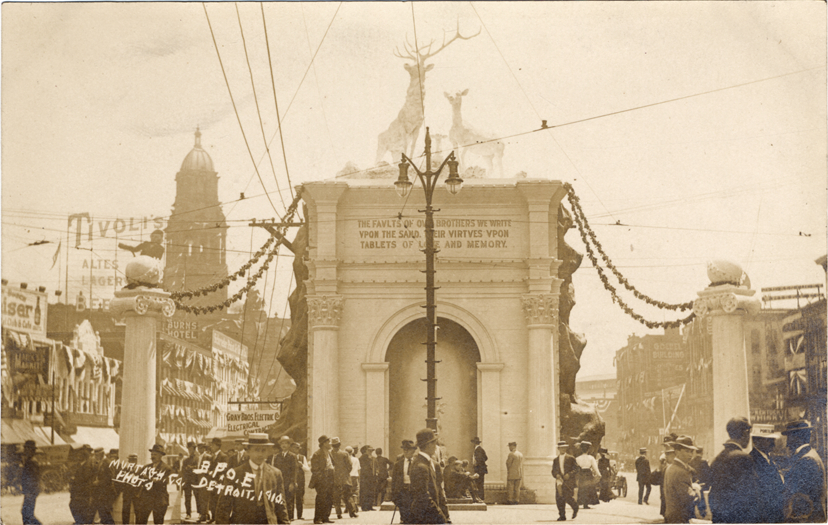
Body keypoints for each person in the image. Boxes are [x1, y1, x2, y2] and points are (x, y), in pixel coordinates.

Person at [214, 433, 289, 524]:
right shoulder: (235, 474)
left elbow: (281, 505)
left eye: (263, 450)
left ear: (268, 452)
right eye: (256, 450)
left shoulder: (275, 473)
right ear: (248, 451)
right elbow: (223, 507)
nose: (260, 454)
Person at [708, 416, 760, 524]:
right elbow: (751, 496)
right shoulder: (744, 458)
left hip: (720, 518)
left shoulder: (717, 459)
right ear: (746, 433)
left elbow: (712, 494)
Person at [780, 419, 826, 523]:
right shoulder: (809, 455)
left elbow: (800, 495)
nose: (787, 441)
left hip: (807, 518)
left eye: (789, 436)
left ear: (797, 436)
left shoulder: (807, 459)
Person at [409, 429, 449, 524]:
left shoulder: (431, 463)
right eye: (435, 443)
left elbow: (438, 491)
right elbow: (423, 496)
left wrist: (445, 514)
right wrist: (440, 517)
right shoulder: (420, 466)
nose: (436, 447)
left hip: (431, 515)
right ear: (429, 444)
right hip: (424, 517)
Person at [749, 425, 785, 523]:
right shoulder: (752, 460)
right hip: (765, 517)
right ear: (756, 441)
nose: (772, 443)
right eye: (768, 439)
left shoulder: (769, 459)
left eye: (773, 439)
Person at [664, 436, 701, 524]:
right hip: (681, 517)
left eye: (691, 451)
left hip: (672, 515)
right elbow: (688, 499)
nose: (690, 454)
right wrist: (697, 491)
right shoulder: (681, 472)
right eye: (686, 451)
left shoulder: (670, 468)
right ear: (677, 451)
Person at [134, 444, 172, 524]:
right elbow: (138, 479)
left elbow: (162, 482)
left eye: (155, 454)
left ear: (161, 455)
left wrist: (148, 478)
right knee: (141, 521)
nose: (153, 456)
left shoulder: (166, 468)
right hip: (146, 500)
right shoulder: (146, 467)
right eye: (152, 454)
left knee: (158, 522)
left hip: (159, 500)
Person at [269, 436, 298, 520]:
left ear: (289, 445)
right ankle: (282, 516)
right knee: (280, 498)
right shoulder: (277, 456)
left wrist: (293, 482)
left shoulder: (292, 456)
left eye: (286, 443)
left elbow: (295, 470)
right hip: (280, 481)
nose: (284, 445)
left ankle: (290, 516)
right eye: (282, 443)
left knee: (289, 499)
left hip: (289, 481)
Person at [391, 439, 418, 524]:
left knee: (414, 512)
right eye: (404, 449)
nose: (406, 451)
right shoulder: (398, 464)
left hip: (414, 490)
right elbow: (394, 480)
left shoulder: (418, 463)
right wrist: (394, 492)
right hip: (403, 490)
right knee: (404, 512)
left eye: (408, 449)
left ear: (413, 451)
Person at [310, 435, 335, 524]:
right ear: (323, 443)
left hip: (330, 478)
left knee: (329, 498)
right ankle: (317, 518)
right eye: (328, 442)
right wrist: (321, 478)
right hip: (322, 479)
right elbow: (314, 469)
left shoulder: (329, 453)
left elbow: (332, 465)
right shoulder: (317, 454)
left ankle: (325, 517)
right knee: (321, 498)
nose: (330, 444)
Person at [551, 440, 579, 521]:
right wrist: (556, 475)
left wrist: (569, 474)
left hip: (568, 481)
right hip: (560, 481)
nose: (563, 449)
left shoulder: (571, 458)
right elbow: (553, 470)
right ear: (558, 449)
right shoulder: (555, 460)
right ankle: (562, 515)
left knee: (568, 497)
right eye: (561, 448)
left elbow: (577, 469)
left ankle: (575, 507)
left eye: (564, 448)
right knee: (559, 498)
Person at [331, 437, 357, 519]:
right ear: (339, 445)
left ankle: (339, 513)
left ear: (332, 445)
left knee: (336, 497)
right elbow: (349, 466)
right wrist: (345, 473)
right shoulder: (345, 454)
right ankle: (352, 513)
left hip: (334, 479)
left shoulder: (329, 454)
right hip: (345, 479)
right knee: (348, 496)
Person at [69, 444, 96, 525]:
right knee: (75, 506)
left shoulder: (88, 464)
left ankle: (80, 522)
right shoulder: (80, 464)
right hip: (78, 491)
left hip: (83, 491)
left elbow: (84, 478)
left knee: (78, 507)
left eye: (81, 455)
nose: (78, 456)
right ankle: (80, 522)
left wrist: (74, 479)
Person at [91, 448, 119, 524]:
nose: (96, 457)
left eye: (97, 455)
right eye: (95, 455)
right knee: (103, 513)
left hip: (108, 492)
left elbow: (111, 477)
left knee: (105, 513)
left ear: (102, 454)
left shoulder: (107, 462)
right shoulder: (100, 463)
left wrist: (99, 482)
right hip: (102, 492)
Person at [207, 437, 228, 523]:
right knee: (212, 500)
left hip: (219, 482)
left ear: (217, 446)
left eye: (212, 445)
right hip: (212, 482)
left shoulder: (223, 456)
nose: (211, 447)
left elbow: (224, 469)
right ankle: (213, 517)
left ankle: (217, 518)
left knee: (218, 500)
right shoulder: (212, 457)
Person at [21, 440, 42, 525]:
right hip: (30, 491)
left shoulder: (32, 462)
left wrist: (29, 492)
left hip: (30, 491)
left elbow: (34, 479)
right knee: (26, 513)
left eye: (27, 449)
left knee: (27, 514)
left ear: (31, 450)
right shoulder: (30, 460)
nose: (25, 451)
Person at [575, 441, 600, 509]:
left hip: (581, 473)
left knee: (582, 488)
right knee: (588, 488)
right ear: (588, 449)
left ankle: (581, 502)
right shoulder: (591, 458)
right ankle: (586, 504)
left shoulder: (577, 458)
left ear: (581, 449)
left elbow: (576, 468)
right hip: (588, 473)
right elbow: (595, 467)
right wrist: (599, 474)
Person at [289, 442, 308, 521]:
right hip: (291, 480)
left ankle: (299, 515)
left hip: (300, 480)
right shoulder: (288, 457)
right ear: (291, 448)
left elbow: (307, 469)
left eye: (298, 448)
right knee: (290, 497)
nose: (296, 449)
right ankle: (291, 516)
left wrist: (302, 465)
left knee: (300, 498)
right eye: (295, 447)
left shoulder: (302, 457)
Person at [182, 441, 199, 520]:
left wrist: (191, 468)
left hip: (196, 481)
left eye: (191, 449)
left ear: (194, 449)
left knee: (197, 497)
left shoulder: (198, 458)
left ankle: (200, 512)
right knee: (187, 498)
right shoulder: (185, 460)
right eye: (189, 449)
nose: (190, 451)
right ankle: (188, 513)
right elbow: (183, 471)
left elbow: (199, 468)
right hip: (187, 482)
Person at [122, 454, 140, 524]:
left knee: (138, 511)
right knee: (125, 511)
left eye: (133, 460)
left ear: (136, 461)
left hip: (137, 494)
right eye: (130, 460)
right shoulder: (125, 469)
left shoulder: (140, 470)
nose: (131, 462)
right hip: (127, 493)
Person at [359, 445, 377, 511]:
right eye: (369, 450)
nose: (371, 452)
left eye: (371, 451)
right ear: (365, 451)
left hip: (370, 477)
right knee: (365, 492)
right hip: (365, 478)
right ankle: (365, 506)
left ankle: (369, 505)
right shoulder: (363, 458)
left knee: (370, 491)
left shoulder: (371, 458)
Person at [348, 446, 361, 510]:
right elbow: (359, 469)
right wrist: (359, 477)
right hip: (355, 476)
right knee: (355, 491)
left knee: (348, 492)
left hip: (348, 477)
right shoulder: (356, 459)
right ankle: (355, 503)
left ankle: (348, 506)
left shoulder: (346, 459)